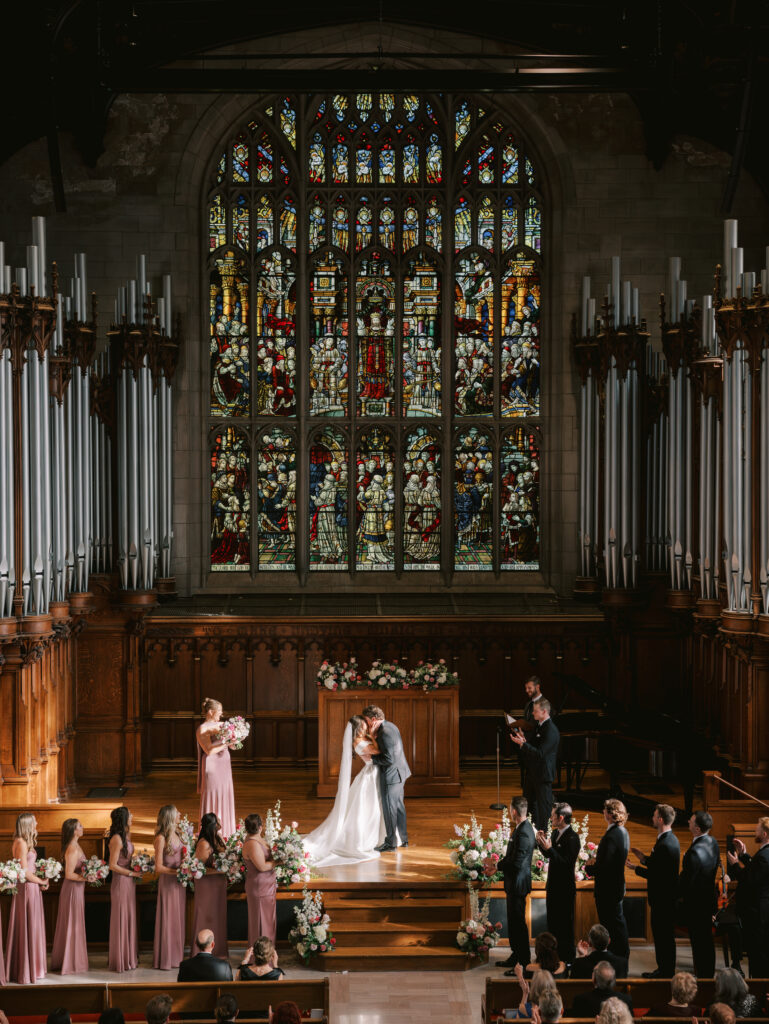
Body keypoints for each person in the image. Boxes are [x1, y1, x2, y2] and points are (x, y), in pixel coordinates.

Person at [304, 716, 387, 865]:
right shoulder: (358, 742)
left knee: (375, 807)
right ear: (357, 728)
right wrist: (373, 736)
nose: (366, 726)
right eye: (363, 725)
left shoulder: (364, 738)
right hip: (369, 776)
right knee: (367, 808)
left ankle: (381, 837)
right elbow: (377, 751)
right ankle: (361, 839)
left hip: (375, 774)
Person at [629, 802, 680, 978]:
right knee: (662, 937)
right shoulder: (667, 839)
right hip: (663, 898)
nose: (652, 818)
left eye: (654, 815)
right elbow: (660, 865)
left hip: (663, 899)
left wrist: (636, 868)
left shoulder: (666, 843)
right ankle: (664, 969)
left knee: (663, 938)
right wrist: (644, 859)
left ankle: (665, 972)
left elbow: (658, 875)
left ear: (660, 819)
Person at [6, 812, 49, 983]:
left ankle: (33, 967)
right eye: (34, 821)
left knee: (32, 924)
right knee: (28, 924)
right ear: (27, 824)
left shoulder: (23, 842)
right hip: (26, 888)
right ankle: (26, 969)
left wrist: (41, 880)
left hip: (31, 887)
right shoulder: (21, 843)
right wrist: (41, 881)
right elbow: (24, 872)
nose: (36, 823)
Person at [363, 704, 411, 852]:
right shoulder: (390, 726)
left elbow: (389, 759)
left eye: (367, 721)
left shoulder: (385, 732)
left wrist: (372, 759)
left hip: (392, 775)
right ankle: (403, 839)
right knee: (399, 808)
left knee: (389, 809)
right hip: (400, 772)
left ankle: (391, 843)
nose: (366, 724)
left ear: (373, 719)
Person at [537, 802, 580, 963]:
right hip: (553, 887)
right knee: (553, 925)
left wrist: (550, 849)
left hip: (565, 889)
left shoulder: (573, 838)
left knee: (565, 927)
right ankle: (553, 958)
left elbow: (566, 863)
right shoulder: (555, 833)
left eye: (553, 815)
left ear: (561, 818)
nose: (551, 818)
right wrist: (541, 843)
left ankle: (567, 960)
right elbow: (550, 855)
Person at [726, 816, 769, 977]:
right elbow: (755, 870)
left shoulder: (764, 856)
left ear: (764, 834)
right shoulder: (765, 853)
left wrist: (735, 865)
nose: (755, 831)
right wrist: (744, 855)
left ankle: (759, 987)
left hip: (757, 912)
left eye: (757, 829)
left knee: (758, 955)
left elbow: (749, 881)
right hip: (761, 910)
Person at [679, 810, 720, 978]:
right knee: (707, 942)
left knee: (698, 943)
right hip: (709, 900)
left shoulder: (693, 853)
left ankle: (703, 977)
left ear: (697, 829)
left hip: (695, 904)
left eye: (691, 821)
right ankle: (707, 975)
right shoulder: (713, 842)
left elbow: (686, 882)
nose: (688, 821)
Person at [589, 798, 630, 964]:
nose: (603, 812)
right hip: (616, 885)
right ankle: (619, 958)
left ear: (610, 814)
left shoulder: (612, 835)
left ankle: (618, 958)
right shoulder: (623, 831)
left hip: (608, 889)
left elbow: (604, 866)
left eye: (605, 810)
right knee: (616, 924)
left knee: (612, 926)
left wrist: (589, 868)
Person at [498, 795, 535, 972]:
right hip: (514, 884)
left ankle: (523, 961)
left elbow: (516, 863)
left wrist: (497, 866)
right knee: (513, 923)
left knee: (519, 924)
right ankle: (515, 956)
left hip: (518, 885)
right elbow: (511, 857)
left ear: (513, 812)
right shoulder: (521, 828)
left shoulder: (525, 832)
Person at [510, 699, 559, 830]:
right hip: (533, 773)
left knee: (543, 810)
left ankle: (543, 836)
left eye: (535, 711)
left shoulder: (551, 730)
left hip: (543, 775)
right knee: (529, 806)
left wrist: (523, 744)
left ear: (544, 711)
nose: (532, 713)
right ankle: (530, 832)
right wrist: (524, 740)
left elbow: (540, 754)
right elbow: (535, 746)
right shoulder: (539, 726)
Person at [51, 817, 88, 975]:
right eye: (80, 826)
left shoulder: (76, 845)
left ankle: (73, 959)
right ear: (74, 830)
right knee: (72, 922)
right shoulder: (72, 848)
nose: (82, 827)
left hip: (77, 889)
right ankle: (70, 962)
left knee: (76, 922)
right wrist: (87, 878)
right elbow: (69, 874)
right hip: (72, 889)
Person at [153, 804, 186, 971]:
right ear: (170, 816)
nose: (180, 814)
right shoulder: (161, 838)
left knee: (178, 919)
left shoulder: (178, 834)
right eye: (177, 812)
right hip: (168, 883)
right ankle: (166, 958)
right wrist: (177, 872)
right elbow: (158, 867)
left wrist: (187, 865)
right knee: (168, 919)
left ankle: (177, 957)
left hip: (179, 883)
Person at [191, 812, 229, 957]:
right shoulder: (204, 843)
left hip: (218, 885)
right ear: (212, 825)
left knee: (218, 917)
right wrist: (219, 871)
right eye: (218, 821)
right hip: (207, 886)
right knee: (206, 916)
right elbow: (198, 868)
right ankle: (201, 952)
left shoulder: (217, 838)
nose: (220, 823)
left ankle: (218, 951)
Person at [197, 697, 236, 837]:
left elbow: (233, 746)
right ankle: (210, 833)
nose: (221, 713)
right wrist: (226, 742)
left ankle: (227, 832)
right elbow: (209, 751)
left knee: (225, 794)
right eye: (219, 711)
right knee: (212, 794)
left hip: (224, 765)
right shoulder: (202, 728)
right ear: (211, 712)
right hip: (212, 766)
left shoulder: (223, 725)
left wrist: (237, 738)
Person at [107, 806, 138, 973]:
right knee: (121, 918)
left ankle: (129, 957)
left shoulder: (126, 836)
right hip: (120, 882)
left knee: (129, 917)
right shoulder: (117, 839)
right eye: (130, 814)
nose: (132, 816)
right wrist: (131, 873)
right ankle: (120, 959)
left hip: (129, 882)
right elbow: (112, 865)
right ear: (124, 818)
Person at [243, 813, 277, 944]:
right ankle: (260, 953)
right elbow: (262, 867)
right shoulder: (252, 844)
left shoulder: (258, 840)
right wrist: (278, 862)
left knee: (267, 920)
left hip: (267, 886)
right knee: (260, 921)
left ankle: (268, 951)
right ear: (260, 827)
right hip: (259, 888)